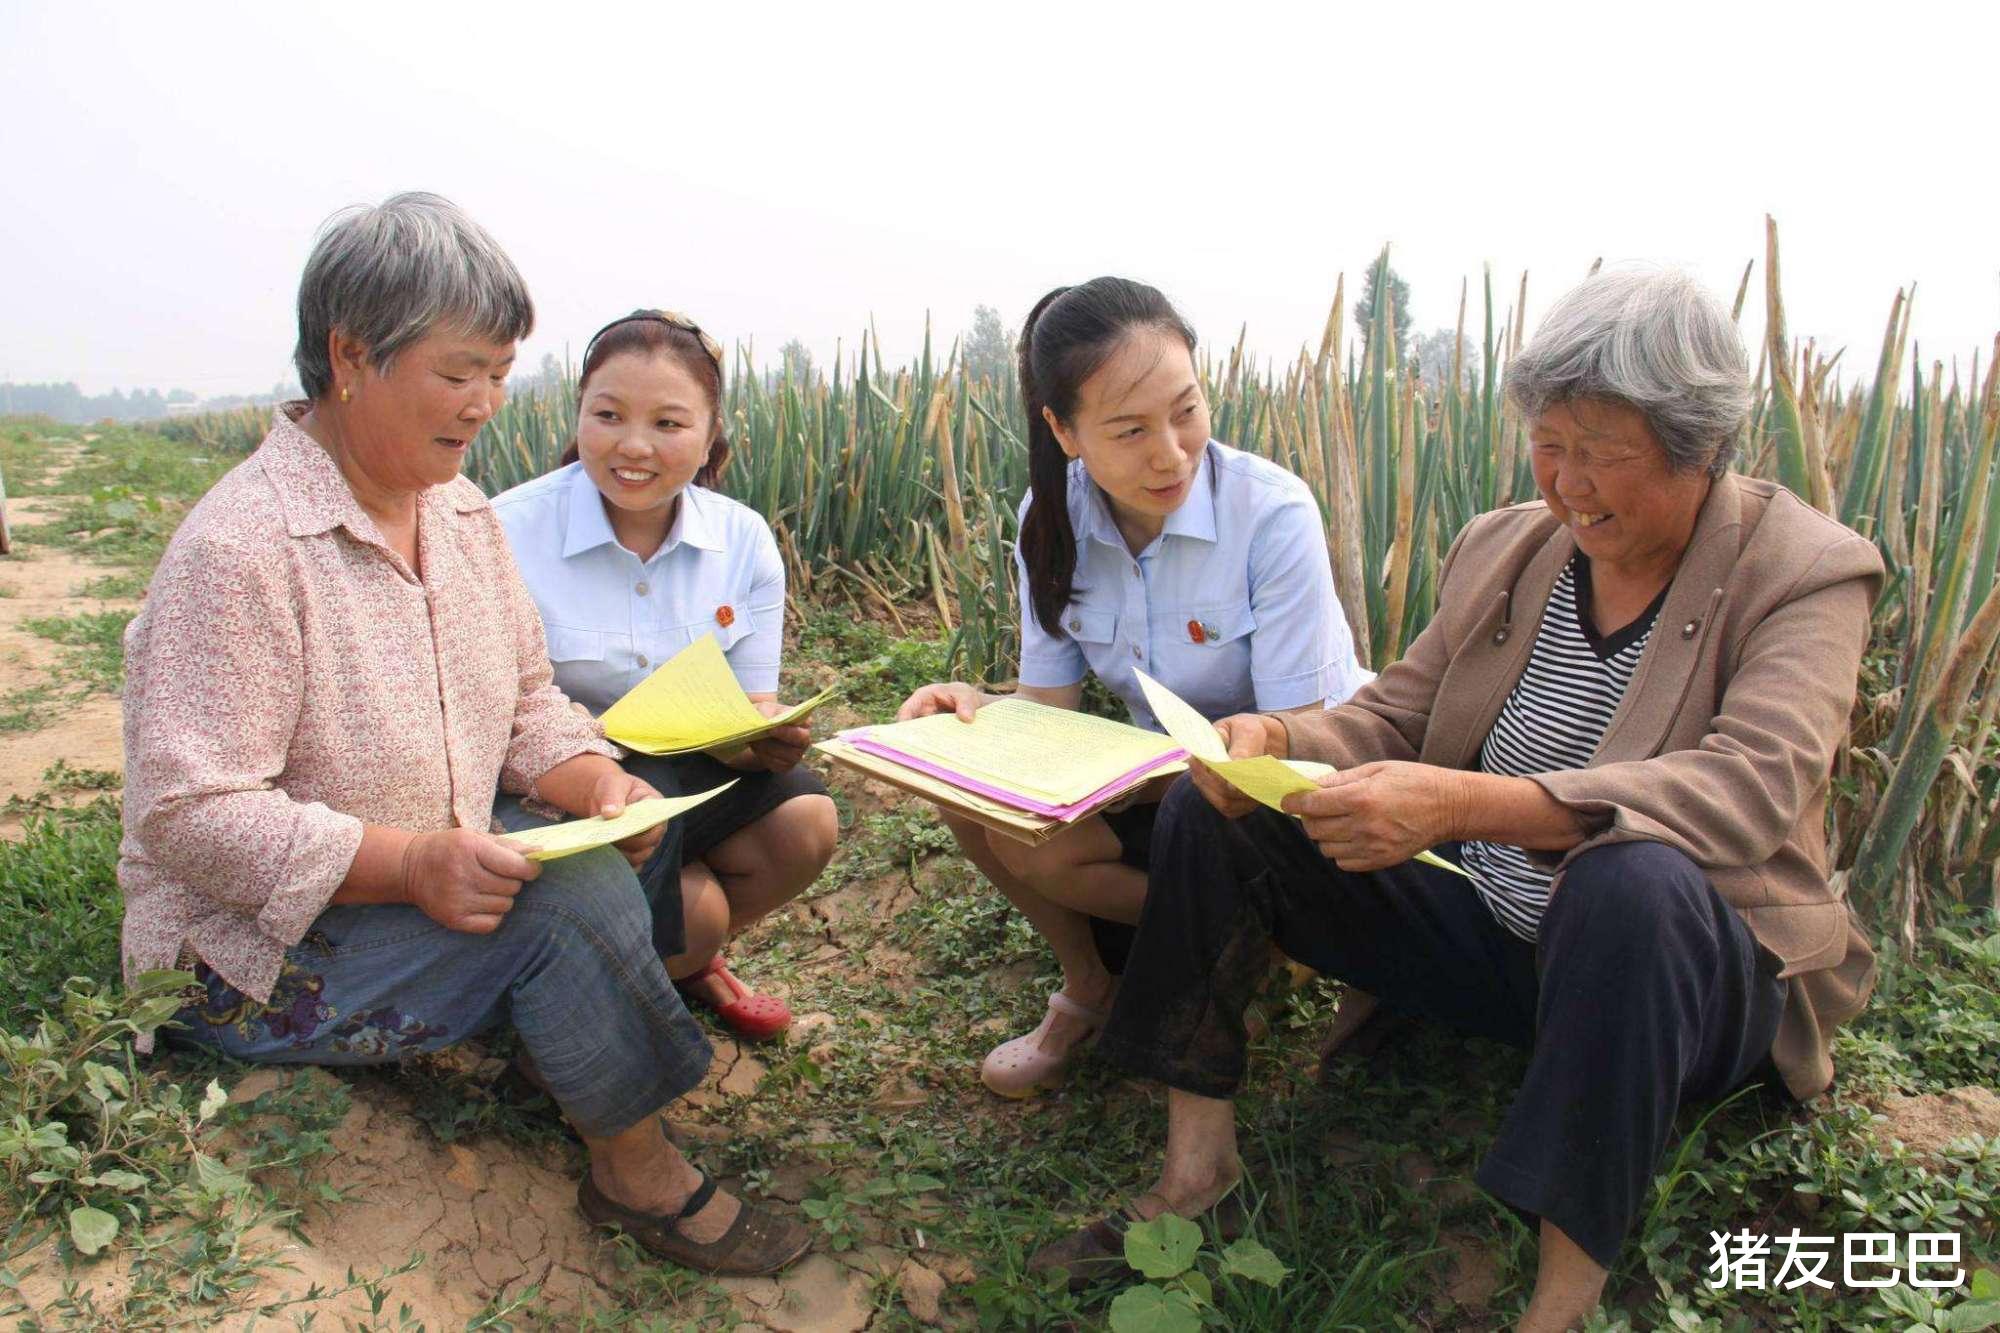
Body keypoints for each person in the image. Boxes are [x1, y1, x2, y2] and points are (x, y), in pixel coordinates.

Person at [1033, 268, 1883, 1331]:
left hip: (1681, 985)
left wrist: (1467, 805)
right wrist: (1281, 739)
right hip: (1499, 936)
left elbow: (1745, 789)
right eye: (1549, 445)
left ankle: (1559, 1300)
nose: (1568, 484)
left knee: (1629, 877)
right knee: (1221, 810)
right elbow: (1393, 714)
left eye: (1604, 453)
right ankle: (1193, 1171)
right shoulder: (1509, 545)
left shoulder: (1802, 570)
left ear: (1700, 444)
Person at [119, 194, 810, 1276]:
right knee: (570, 901)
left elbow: (527, 698)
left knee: (583, 849)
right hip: (247, 957)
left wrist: (594, 783)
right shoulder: (243, 550)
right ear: (352, 356)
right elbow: (186, 816)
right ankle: (633, 1170)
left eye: (499, 372)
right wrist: (408, 863)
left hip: (413, 874)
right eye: (461, 372)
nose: (487, 403)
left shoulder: (458, 515)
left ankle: (565, 1047)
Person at [897, 277, 1371, 1098]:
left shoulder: (1270, 513)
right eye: (1129, 429)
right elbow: (1050, 710)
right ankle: (1094, 983)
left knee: (1102, 833)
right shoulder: (1050, 520)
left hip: (1276, 793)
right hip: (1160, 780)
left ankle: (1242, 957)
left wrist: (1140, 780)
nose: (1171, 452)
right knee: (974, 791)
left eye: (1186, 411)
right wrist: (975, 710)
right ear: (1063, 430)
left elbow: (1303, 727)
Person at [493, 310, 838, 1041]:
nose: (634, 446)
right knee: (696, 902)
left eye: (669, 423)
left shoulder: (740, 538)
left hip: (688, 769)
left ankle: (681, 960)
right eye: (608, 415)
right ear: (578, 413)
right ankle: (610, 999)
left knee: (804, 822)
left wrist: (762, 740)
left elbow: (751, 705)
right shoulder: (505, 530)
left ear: (712, 433)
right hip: (555, 786)